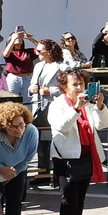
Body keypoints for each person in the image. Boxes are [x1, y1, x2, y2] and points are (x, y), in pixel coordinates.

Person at [48, 69, 108, 215]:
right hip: (66, 158)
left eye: (81, 84)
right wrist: (75, 108)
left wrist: (100, 106)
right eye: (74, 84)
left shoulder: (88, 104)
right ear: (64, 87)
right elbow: (61, 126)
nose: (79, 87)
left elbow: (103, 124)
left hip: (85, 156)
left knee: (80, 199)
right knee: (68, 200)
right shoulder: (58, 105)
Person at [27, 39, 68, 187]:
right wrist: (32, 88)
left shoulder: (62, 66)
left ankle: (59, 174)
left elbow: (67, 87)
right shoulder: (38, 66)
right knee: (41, 141)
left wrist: (49, 90)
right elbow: (32, 83)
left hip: (54, 106)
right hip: (38, 107)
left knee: (56, 139)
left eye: (39, 51)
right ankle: (43, 172)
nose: (36, 53)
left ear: (49, 51)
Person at [0, 102, 36, 215]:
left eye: (21, 124)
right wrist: (0, 168)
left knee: (15, 205)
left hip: (18, 170)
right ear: (3, 126)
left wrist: (12, 174)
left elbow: (28, 157)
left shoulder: (31, 131)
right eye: (12, 127)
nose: (18, 129)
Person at [2, 29, 36, 100]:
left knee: (27, 101)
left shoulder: (28, 51)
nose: (18, 39)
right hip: (14, 79)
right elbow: (5, 54)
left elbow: (44, 49)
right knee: (11, 101)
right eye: (16, 38)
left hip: (28, 79)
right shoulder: (10, 52)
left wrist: (30, 39)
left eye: (20, 38)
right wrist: (13, 39)